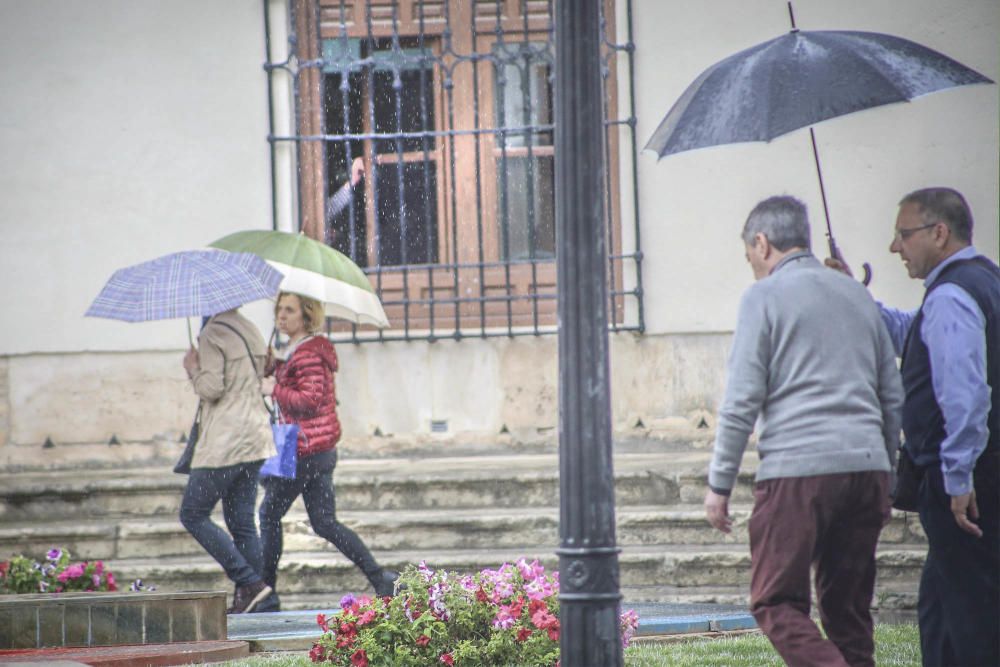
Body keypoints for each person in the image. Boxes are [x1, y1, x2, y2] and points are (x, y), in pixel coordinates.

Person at [704, 196, 904, 667]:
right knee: (848, 610)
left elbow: (741, 401)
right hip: (867, 468)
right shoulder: (856, 293)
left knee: (775, 601)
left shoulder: (762, 296)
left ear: (762, 242)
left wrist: (719, 484)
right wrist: (888, 472)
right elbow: (890, 394)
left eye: (750, 254)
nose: (752, 265)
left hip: (798, 471)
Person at [828, 187, 999, 667]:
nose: (894, 247)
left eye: (904, 234)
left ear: (939, 233)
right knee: (941, 611)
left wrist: (959, 476)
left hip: (965, 484)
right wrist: (852, 295)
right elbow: (909, 333)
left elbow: (966, 395)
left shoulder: (951, 295)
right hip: (969, 478)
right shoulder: (981, 282)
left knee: (972, 620)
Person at [256, 292, 398, 611]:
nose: (281, 316)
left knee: (268, 515)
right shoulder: (298, 350)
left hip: (305, 449)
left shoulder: (307, 353)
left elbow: (309, 400)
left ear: (307, 316)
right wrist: (276, 366)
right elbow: (301, 386)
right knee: (324, 523)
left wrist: (273, 388)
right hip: (316, 449)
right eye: (279, 309)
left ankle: (265, 593)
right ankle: (381, 579)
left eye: (289, 310)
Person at [180, 307, 274, 614]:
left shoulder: (212, 334)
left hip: (225, 440)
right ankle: (255, 600)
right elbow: (260, 374)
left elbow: (212, 388)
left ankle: (248, 582)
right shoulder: (250, 327)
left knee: (193, 513)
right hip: (254, 436)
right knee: (242, 522)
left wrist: (193, 368)